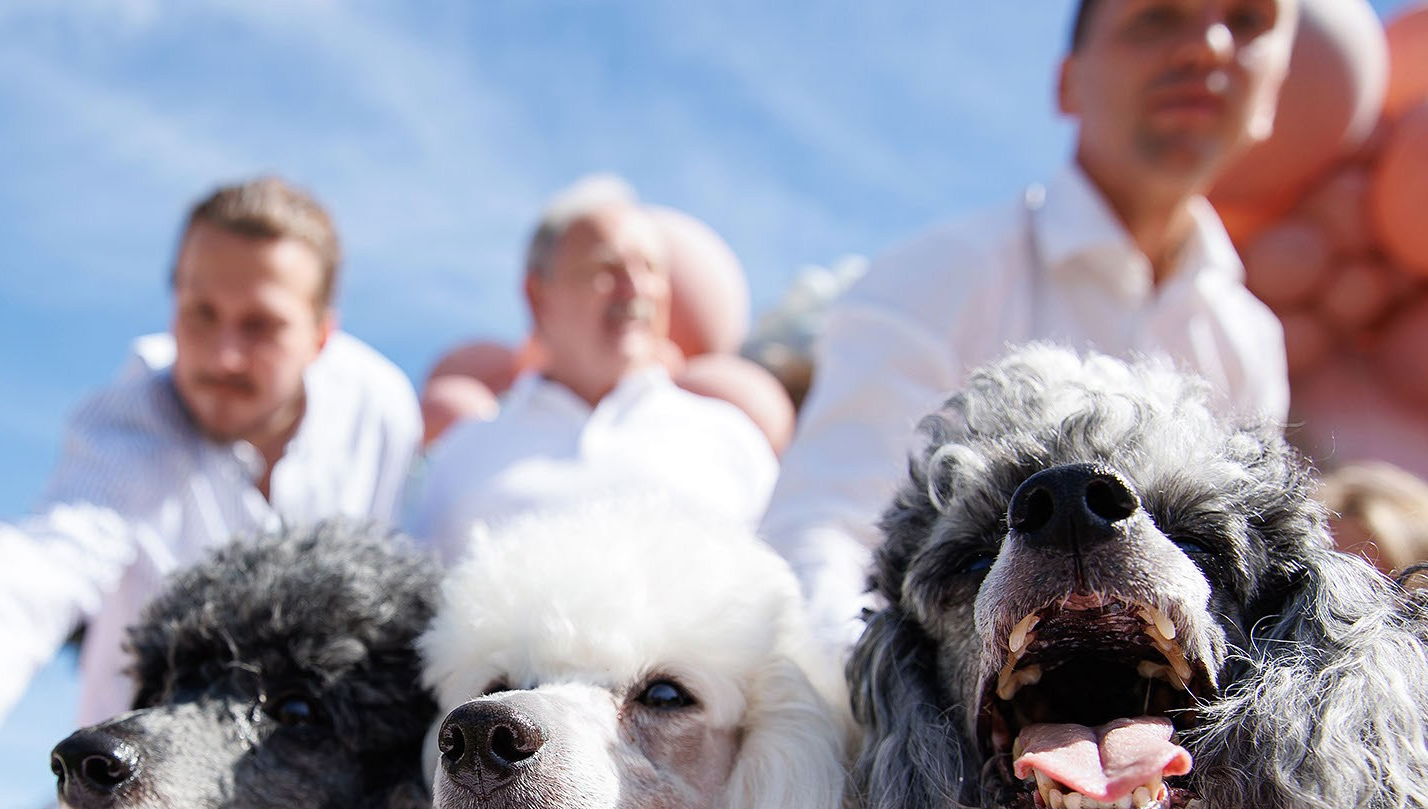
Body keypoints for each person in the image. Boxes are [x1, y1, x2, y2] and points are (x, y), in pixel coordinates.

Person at [0, 177, 421, 809]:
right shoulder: (132, 422)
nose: (221, 355)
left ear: (321, 334)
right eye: (200, 313)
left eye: (261, 325)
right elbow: (42, 564)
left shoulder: (381, 412)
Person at [765, 0, 1297, 652]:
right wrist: (881, 721)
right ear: (1068, 82)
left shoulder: (1249, 342)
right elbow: (821, 533)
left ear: (1275, 92)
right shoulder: (942, 272)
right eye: (1157, 17)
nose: (1209, 47)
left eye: (1248, 22)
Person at [403, 175, 778, 562]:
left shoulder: (731, 440)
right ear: (538, 295)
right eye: (607, 267)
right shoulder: (463, 455)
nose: (635, 288)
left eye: (650, 268)